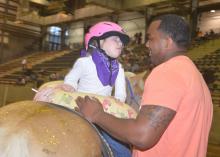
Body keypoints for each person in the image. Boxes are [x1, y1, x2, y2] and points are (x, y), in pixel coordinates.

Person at [75, 14, 213, 157]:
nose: (147, 44)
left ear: (167, 42)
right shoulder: (196, 77)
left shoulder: (168, 71)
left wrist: (97, 114)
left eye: (151, 39)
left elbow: (142, 136)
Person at [35, 21, 131, 157]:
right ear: (99, 42)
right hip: (82, 106)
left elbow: (121, 94)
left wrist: (117, 101)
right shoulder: (84, 63)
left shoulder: (119, 69)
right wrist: (70, 86)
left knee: (122, 150)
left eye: (121, 41)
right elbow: (71, 80)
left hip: (102, 111)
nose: (120, 43)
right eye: (115, 39)